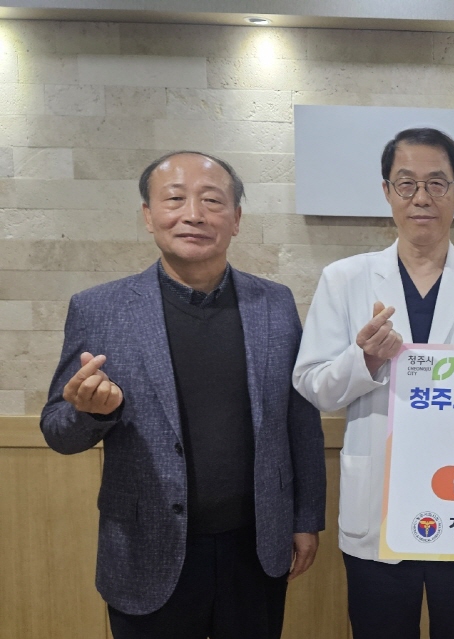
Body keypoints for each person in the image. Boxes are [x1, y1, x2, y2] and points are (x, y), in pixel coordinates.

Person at [40, 151, 326, 639]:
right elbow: (57, 430)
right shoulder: (100, 308)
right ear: (148, 215)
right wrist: (90, 413)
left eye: (212, 201)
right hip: (146, 548)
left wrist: (305, 518)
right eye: (174, 199)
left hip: (255, 547)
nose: (193, 214)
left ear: (236, 219)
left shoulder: (274, 303)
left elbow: (300, 421)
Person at [293, 127, 454, 639]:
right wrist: (365, 359)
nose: (421, 197)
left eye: (436, 184)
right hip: (377, 506)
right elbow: (313, 385)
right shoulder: (345, 278)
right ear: (387, 191)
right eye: (406, 184)